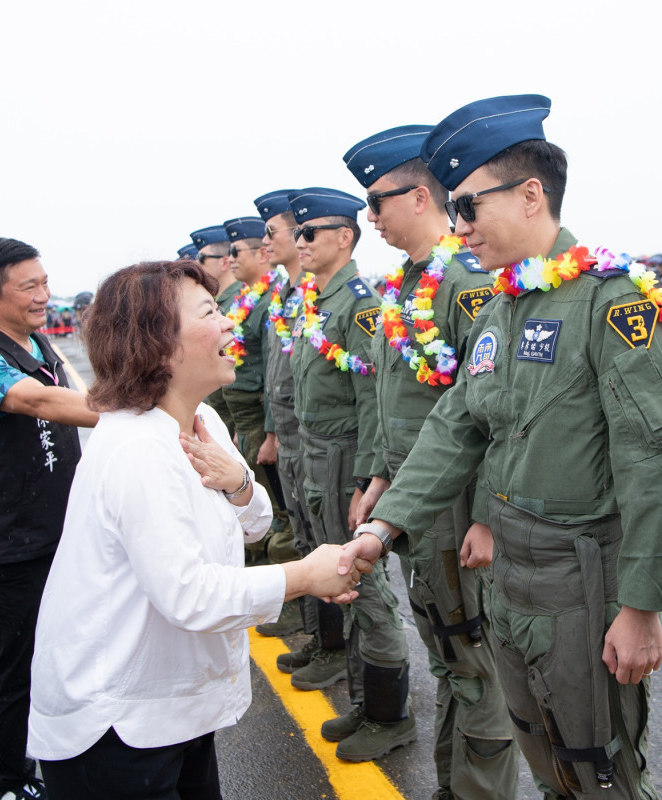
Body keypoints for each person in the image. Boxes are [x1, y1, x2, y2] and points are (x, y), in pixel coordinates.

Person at [340, 94, 662, 799]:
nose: (458, 225)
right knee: (544, 763)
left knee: (599, 770)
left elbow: (650, 460)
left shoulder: (609, 303)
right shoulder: (501, 307)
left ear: (531, 196)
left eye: (468, 206)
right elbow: (457, 426)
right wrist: (385, 526)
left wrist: (642, 607)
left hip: (581, 585)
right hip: (512, 585)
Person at [26, 260, 360, 799]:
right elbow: (189, 593)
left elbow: (254, 526)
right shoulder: (138, 448)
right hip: (118, 725)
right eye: (210, 312)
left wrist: (238, 486)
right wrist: (303, 575)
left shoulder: (203, 422)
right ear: (159, 343)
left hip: (170, 709)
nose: (229, 323)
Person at [341, 124, 518, 799]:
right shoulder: (409, 284)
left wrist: (488, 516)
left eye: (377, 204)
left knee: (474, 659)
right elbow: (403, 401)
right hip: (417, 500)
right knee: (448, 653)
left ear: (419, 197)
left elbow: (492, 414)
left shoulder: (465, 283)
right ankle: (454, 783)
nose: (371, 220)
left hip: (458, 510)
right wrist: (382, 482)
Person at [0, 237, 99, 800]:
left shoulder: (35, 341)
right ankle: (10, 780)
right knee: (18, 663)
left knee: (63, 650)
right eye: (27, 286)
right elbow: (39, 403)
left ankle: (66, 753)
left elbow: (72, 394)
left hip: (54, 531)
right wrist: (136, 409)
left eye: (44, 281)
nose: (43, 295)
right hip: (7, 544)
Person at [286, 186, 414, 762]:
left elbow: (373, 399)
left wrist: (368, 480)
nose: (299, 242)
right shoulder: (321, 300)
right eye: (299, 233)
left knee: (364, 587)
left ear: (343, 238)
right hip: (317, 454)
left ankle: (390, 716)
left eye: (310, 233)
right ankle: (366, 703)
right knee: (339, 583)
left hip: (346, 462)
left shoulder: (359, 305)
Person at [253, 189, 330, 649]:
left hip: (315, 438)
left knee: (319, 540)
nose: (267, 243)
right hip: (290, 432)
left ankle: (330, 646)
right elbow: (275, 373)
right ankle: (319, 637)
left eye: (272, 232)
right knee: (302, 535)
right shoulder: (288, 294)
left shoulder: (316, 296)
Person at [221, 217, 301, 601]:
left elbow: (275, 373)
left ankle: (286, 605)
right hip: (251, 421)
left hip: (273, 424)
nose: (228, 258)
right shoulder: (252, 298)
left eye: (235, 251)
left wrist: (271, 432)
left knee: (282, 517)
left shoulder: (275, 298)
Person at [190, 225, 239, 435]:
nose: (194, 264)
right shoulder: (223, 301)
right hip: (223, 408)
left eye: (201, 258)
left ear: (225, 261)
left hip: (242, 414)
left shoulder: (244, 300)